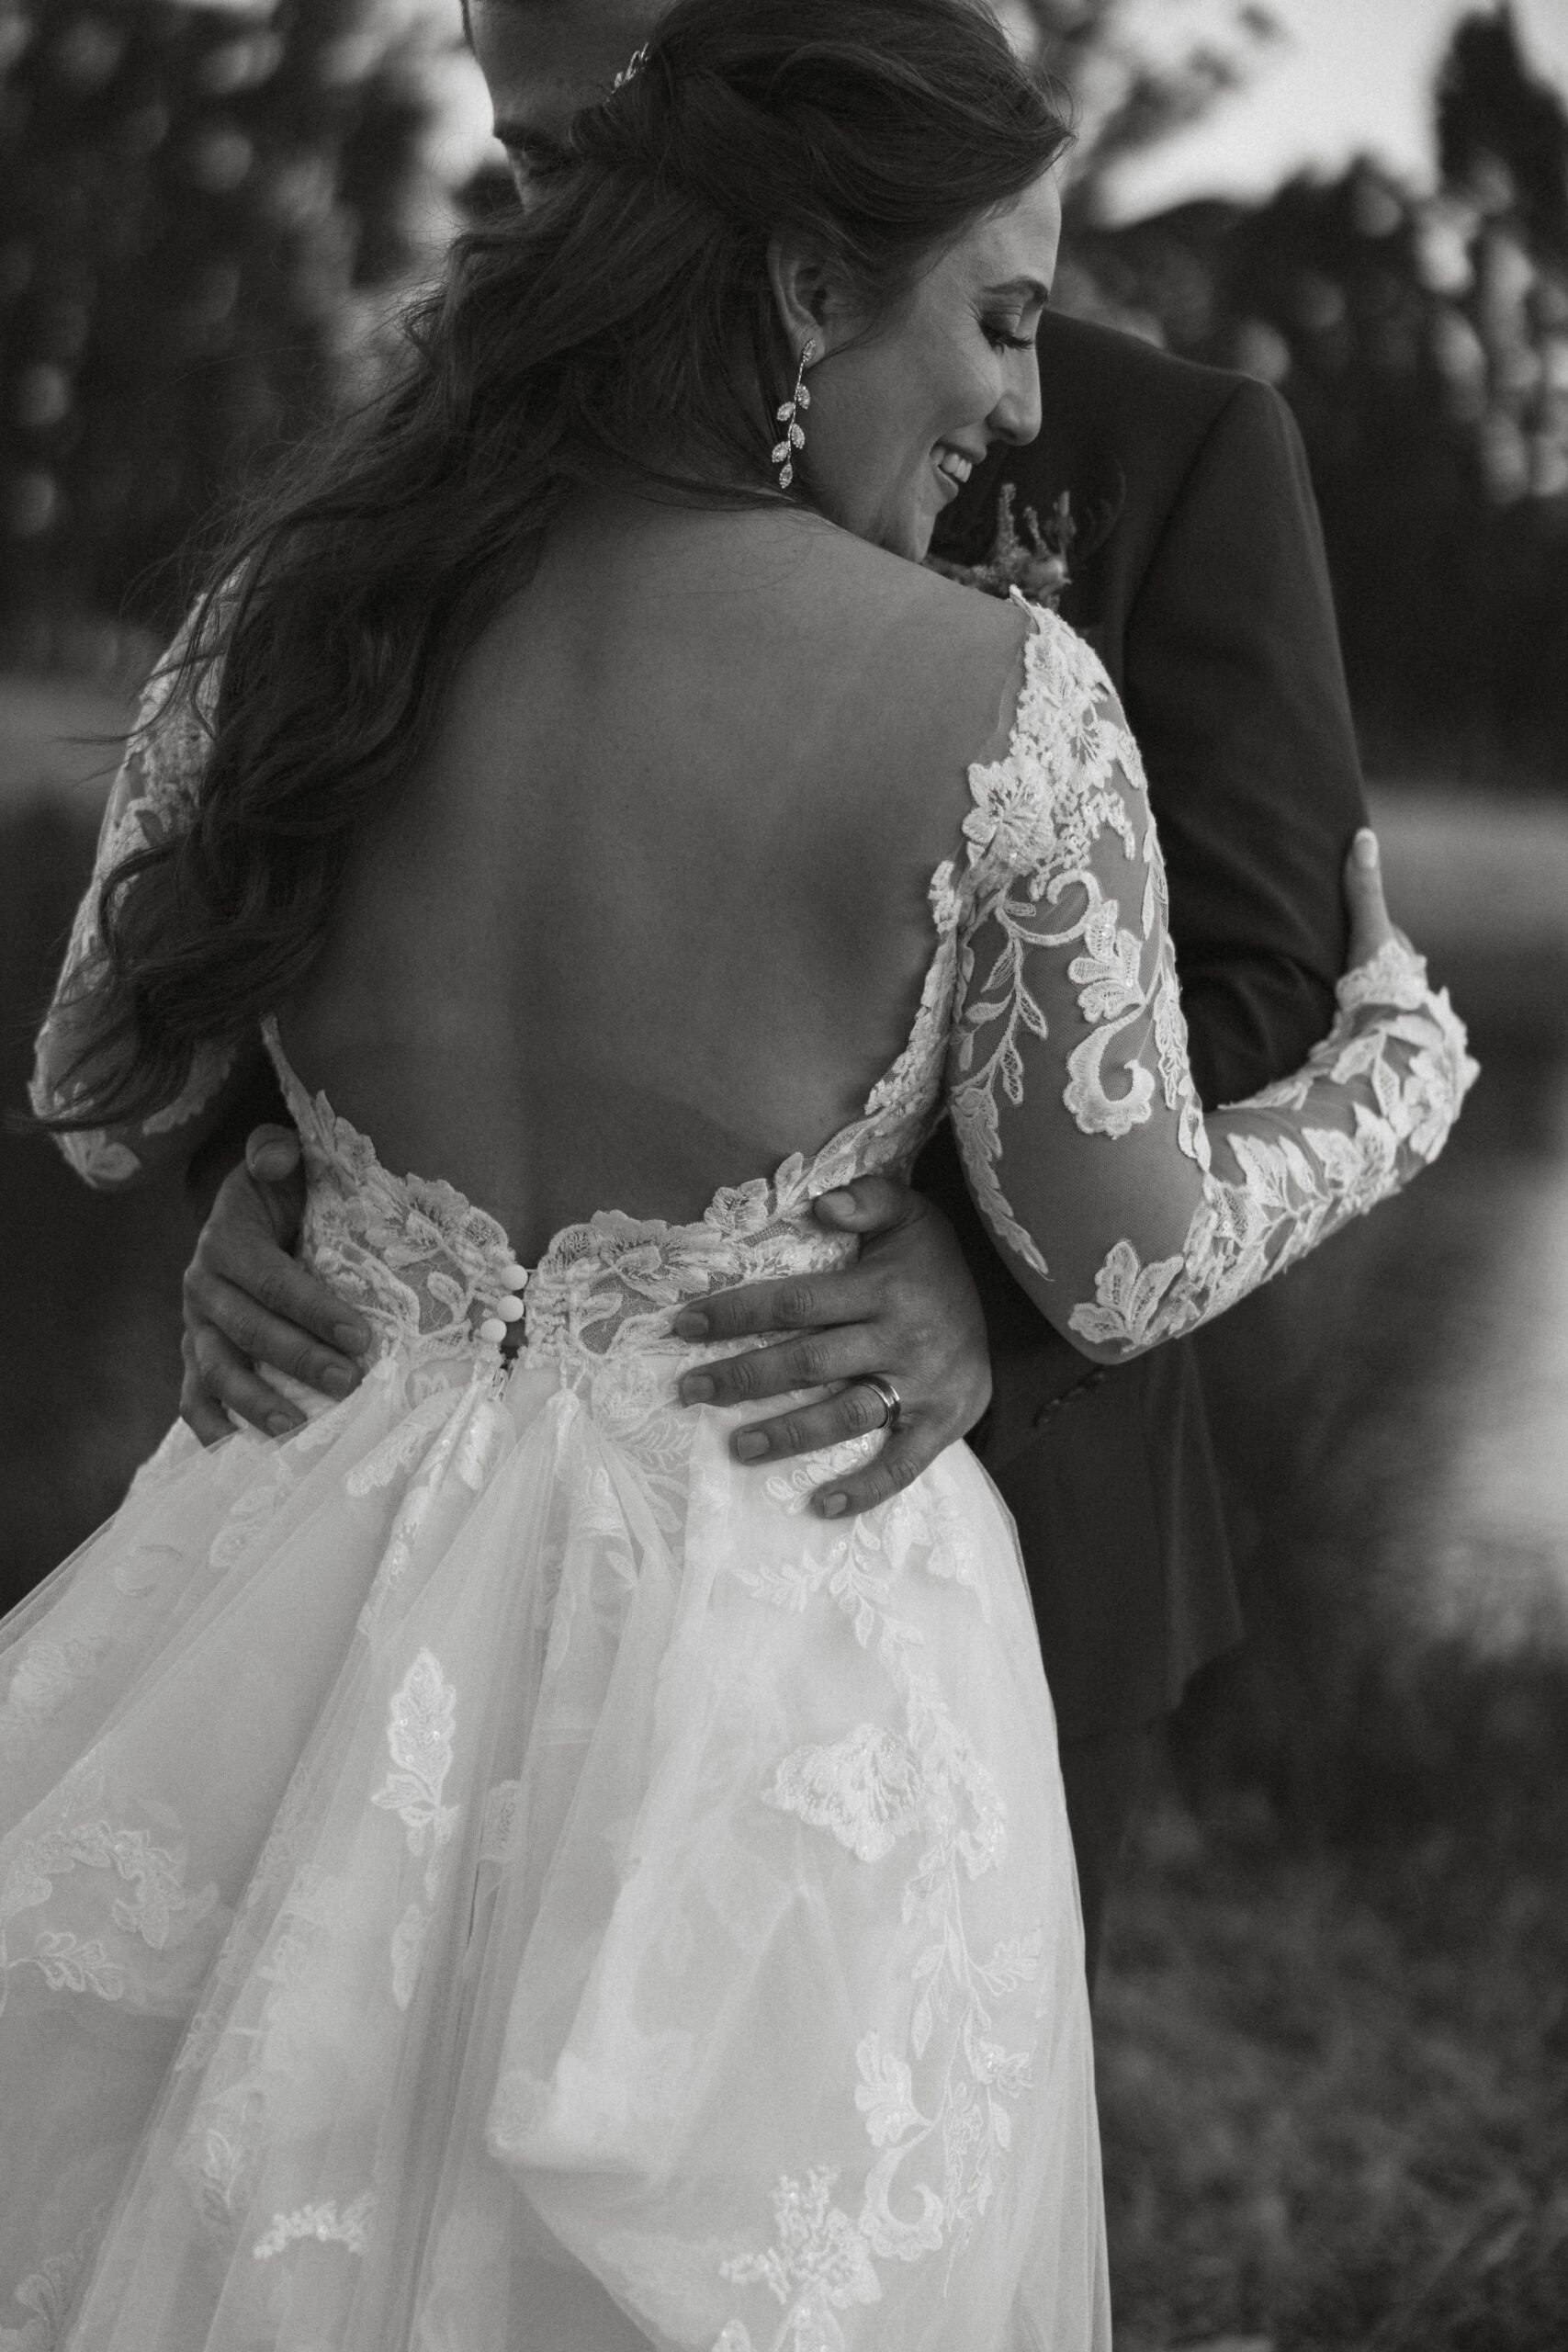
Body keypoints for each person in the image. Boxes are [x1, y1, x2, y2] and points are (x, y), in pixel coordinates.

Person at [2, 2, 1472, 2344]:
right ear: (804, 289)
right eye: (993, 318)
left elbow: (96, 1080)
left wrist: (292, 1175)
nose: (1014, 399)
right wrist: (1401, 1060)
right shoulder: (991, 698)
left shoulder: (297, 603)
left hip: (307, 1563)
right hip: (756, 1679)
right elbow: (1129, 1251)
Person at [179, 0, 1379, 1991]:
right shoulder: (438, 478)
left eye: (594, 150)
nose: (547, 226)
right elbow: (298, 872)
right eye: (523, 163)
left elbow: (1260, 977)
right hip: (436, 1546)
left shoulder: (1160, 439)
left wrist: (988, 1283)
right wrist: (269, 1163)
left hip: (962, 1513)